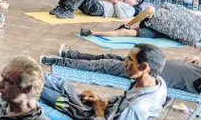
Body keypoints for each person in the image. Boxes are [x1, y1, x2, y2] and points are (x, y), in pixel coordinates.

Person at [39, 45, 166, 120]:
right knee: (41, 79)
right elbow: (124, 100)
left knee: (30, 103)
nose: (125, 63)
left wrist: (98, 112)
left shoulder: (136, 109)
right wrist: (102, 101)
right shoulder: (156, 83)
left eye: (130, 59)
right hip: (104, 114)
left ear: (143, 67)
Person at [41, 45, 201, 94]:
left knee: (98, 65)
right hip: (148, 61)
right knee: (106, 56)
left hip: (141, 70)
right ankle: (70, 54)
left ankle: (56, 61)